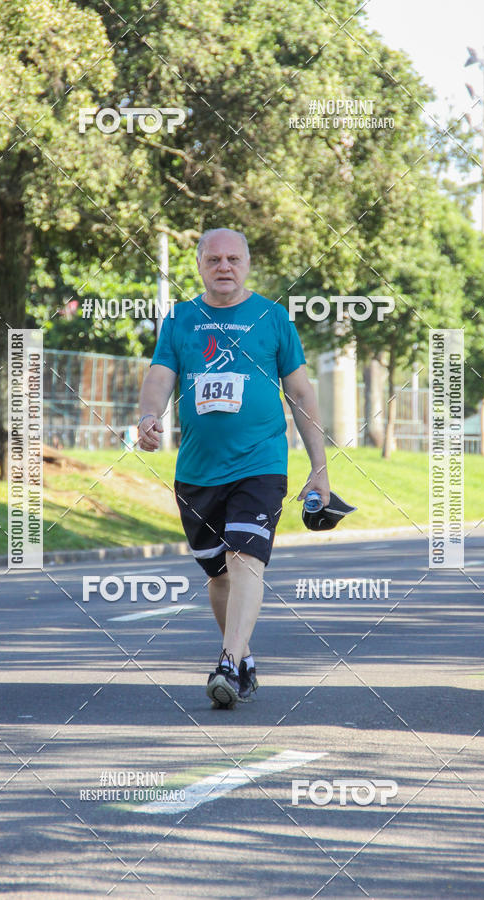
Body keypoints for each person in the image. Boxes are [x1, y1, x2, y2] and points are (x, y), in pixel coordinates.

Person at [138, 228, 330, 709]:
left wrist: (319, 468)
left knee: (246, 558)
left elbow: (302, 393)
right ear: (199, 264)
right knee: (218, 574)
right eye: (214, 259)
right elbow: (160, 374)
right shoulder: (181, 318)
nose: (224, 266)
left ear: (247, 263)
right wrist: (147, 415)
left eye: (233, 258)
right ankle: (243, 659)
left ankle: (226, 661)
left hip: (261, 463)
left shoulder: (272, 317)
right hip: (197, 472)